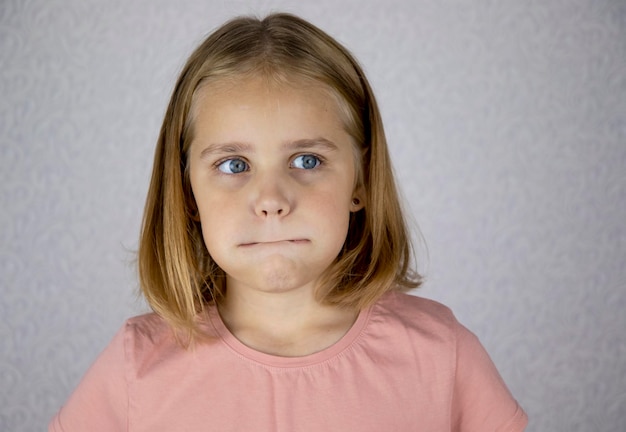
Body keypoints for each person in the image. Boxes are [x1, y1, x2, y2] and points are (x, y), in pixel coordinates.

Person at [49, 12, 528, 431]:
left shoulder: (441, 355)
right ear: (187, 193)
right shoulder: (137, 365)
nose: (272, 200)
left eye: (306, 160)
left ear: (360, 181)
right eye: (234, 165)